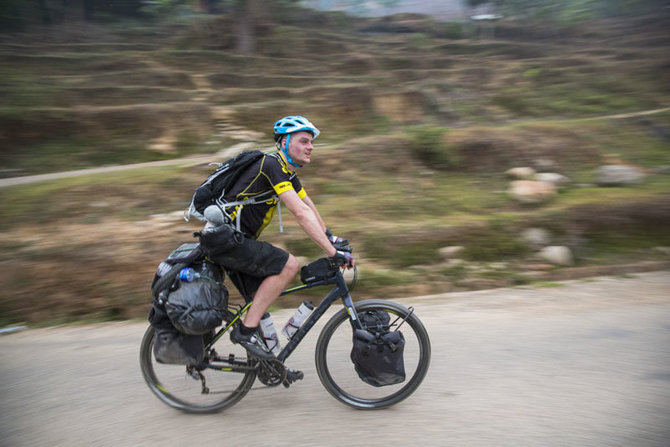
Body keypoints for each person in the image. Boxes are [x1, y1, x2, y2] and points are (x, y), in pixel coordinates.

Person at [205, 116, 354, 370]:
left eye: (312, 142)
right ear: (284, 143)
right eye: (304, 141)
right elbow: (300, 214)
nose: (311, 147)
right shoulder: (271, 165)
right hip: (225, 240)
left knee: (260, 297)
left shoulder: (286, 171)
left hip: (232, 240)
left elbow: (308, 205)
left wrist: (330, 237)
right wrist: (331, 252)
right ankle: (245, 332)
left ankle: (268, 363)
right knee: (289, 265)